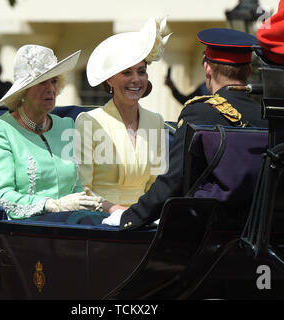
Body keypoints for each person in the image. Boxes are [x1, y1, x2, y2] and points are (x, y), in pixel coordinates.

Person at [103, 28, 268, 229]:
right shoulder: (266, 115)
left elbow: (174, 179)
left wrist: (131, 217)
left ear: (208, 69)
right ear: (248, 71)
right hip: (259, 226)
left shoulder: (200, 112)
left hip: (210, 228)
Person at [0, 44, 104, 220]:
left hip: (75, 223)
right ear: (24, 90)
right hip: (29, 230)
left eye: (54, 81)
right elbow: (2, 196)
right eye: (42, 82)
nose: (51, 89)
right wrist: (52, 205)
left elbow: (80, 186)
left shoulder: (67, 126)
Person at [75, 17, 171, 214]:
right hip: (97, 220)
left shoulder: (156, 121)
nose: (136, 79)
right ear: (110, 79)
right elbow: (81, 188)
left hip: (144, 220)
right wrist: (117, 211)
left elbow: (158, 184)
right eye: (127, 72)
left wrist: (144, 215)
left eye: (141, 71)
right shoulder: (89, 122)